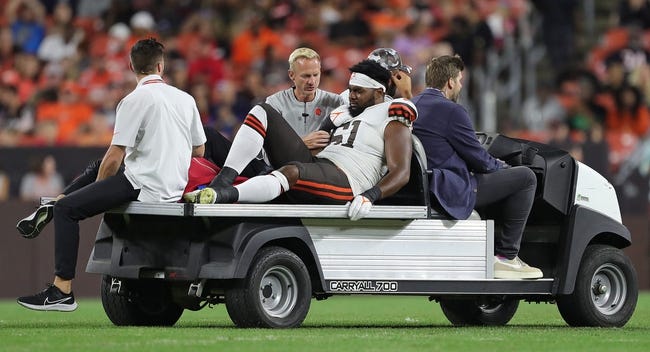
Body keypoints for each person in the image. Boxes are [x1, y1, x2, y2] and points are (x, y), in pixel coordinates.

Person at [15, 38, 207, 312]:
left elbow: (115, 158)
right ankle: (56, 201)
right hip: (172, 185)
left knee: (67, 209)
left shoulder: (133, 100)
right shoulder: (185, 99)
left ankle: (62, 290)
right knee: (95, 167)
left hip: (143, 185)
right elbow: (199, 149)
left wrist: (95, 196)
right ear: (161, 66)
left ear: (131, 66)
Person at [187, 60, 416, 223]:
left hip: (348, 180)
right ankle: (223, 181)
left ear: (378, 92)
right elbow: (324, 135)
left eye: (358, 91)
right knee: (263, 110)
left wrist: (370, 195)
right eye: (351, 90)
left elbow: (401, 172)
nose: (352, 95)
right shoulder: (348, 110)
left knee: (292, 171)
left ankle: (223, 196)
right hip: (321, 165)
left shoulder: (394, 113)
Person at [411, 55, 542, 280]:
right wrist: (502, 166)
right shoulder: (452, 111)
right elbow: (480, 160)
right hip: (448, 188)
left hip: (424, 185)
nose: (461, 86)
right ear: (450, 82)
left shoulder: (413, 104)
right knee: (526, 177)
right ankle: (506, 257)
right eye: (460, 80)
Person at [340, 48, 414, 103]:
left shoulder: (348, 95)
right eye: (397, 76)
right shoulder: (374, 101)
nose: (398, 81)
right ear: (389, 78)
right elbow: (416, 123)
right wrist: (407, 94)